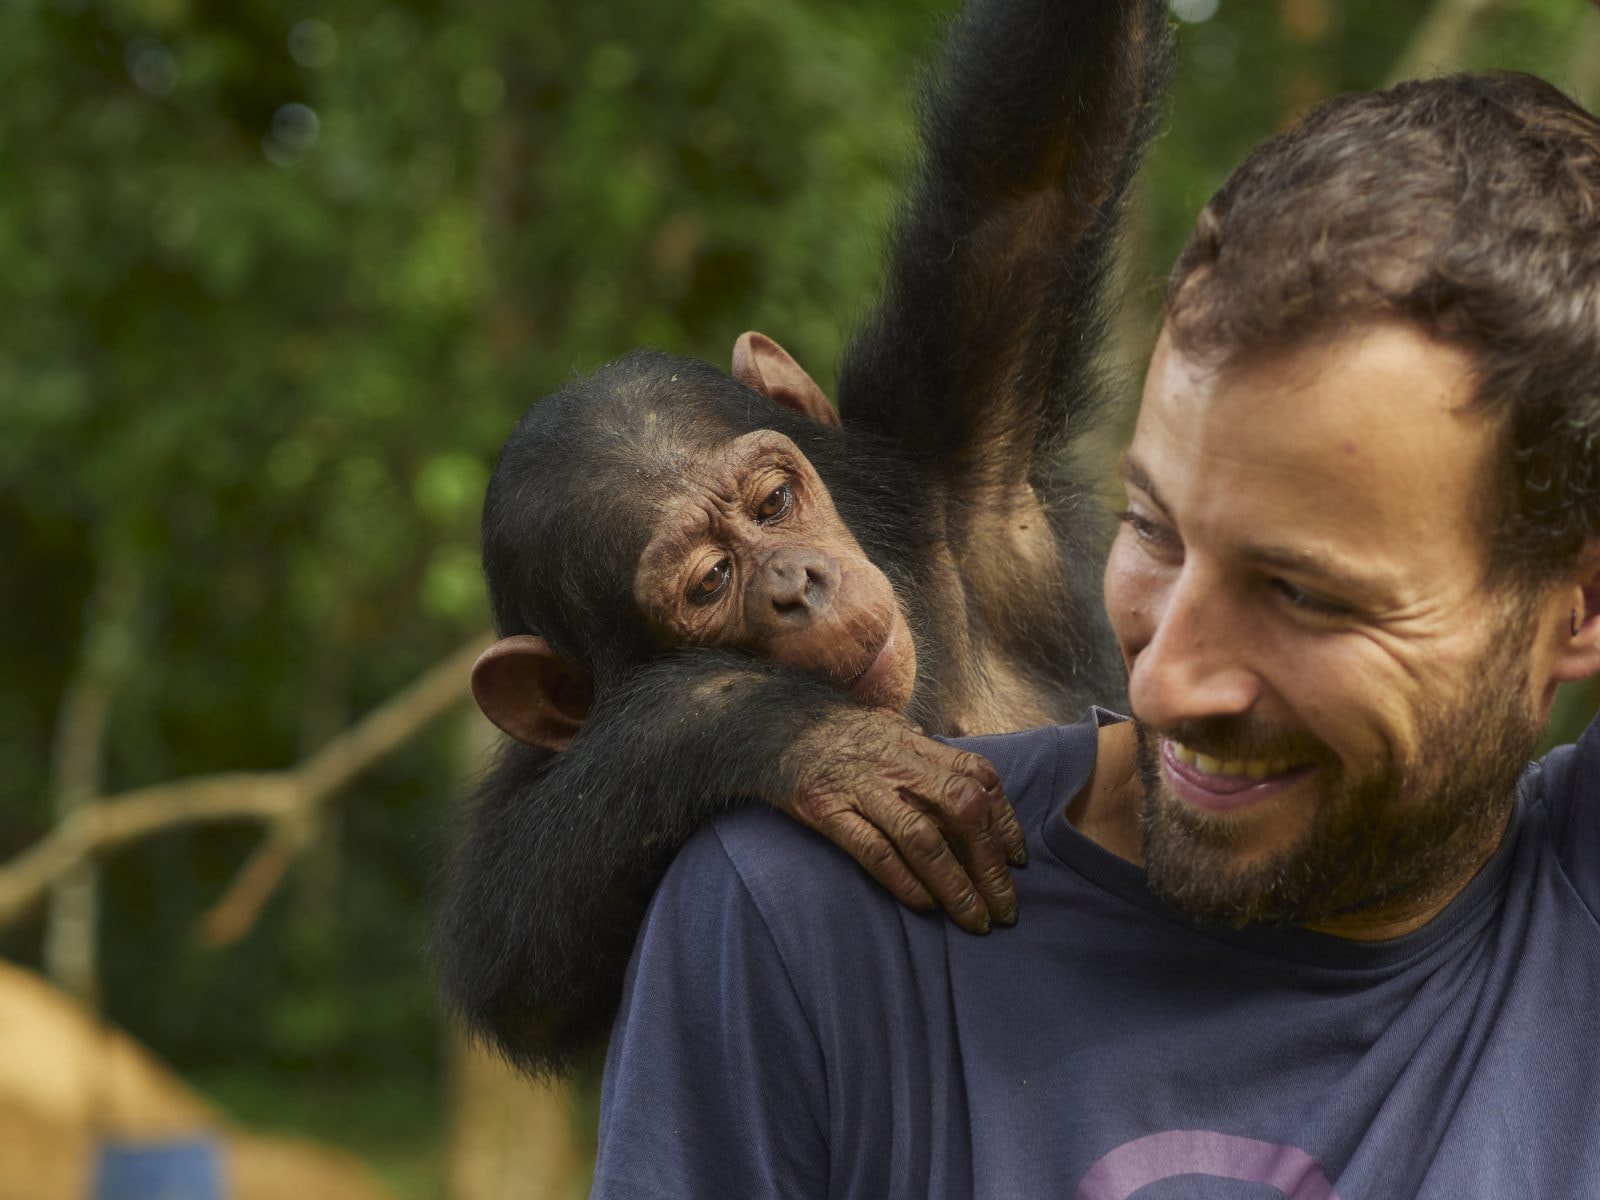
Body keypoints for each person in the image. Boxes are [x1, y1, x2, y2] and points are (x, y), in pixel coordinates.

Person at [589, 71, 1600, 1200]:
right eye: (1151, 530)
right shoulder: (801, 920)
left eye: (1302, 595)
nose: (1158, 686)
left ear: (1581, 606)